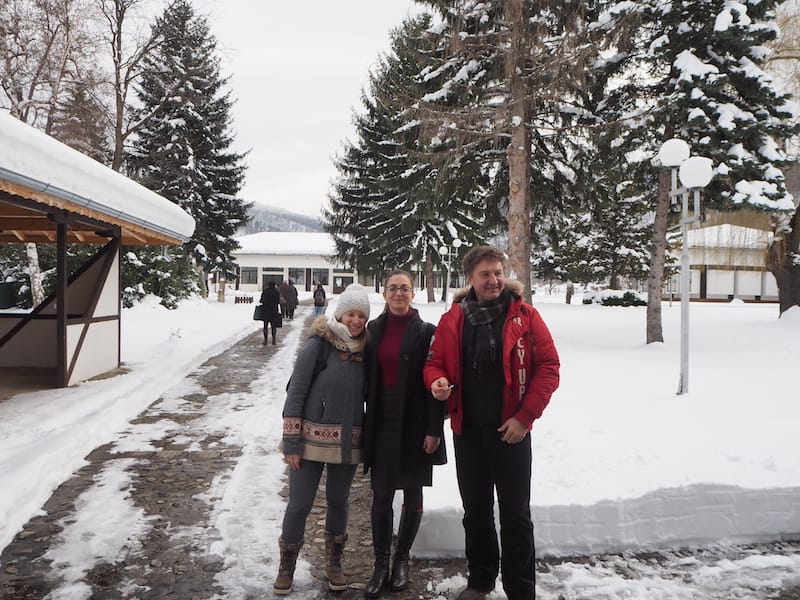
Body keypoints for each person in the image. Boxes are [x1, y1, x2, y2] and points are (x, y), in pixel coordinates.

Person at [423, 246, 560, 600]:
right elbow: (434, 362)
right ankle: (481, 580)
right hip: (467, 431)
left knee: (516, 516)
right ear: (469, 279)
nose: (494, 280)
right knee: (476, 512)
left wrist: (525, 417)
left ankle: (521, 590)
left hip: (511, 431)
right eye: (485, 274)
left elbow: (548, 367)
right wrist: (436, 381)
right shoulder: (453, 318)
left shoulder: (525, 316)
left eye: (498, 272)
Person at [273, 283, 371, 595]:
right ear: (340, 314)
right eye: (351, 314)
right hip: (309, 442)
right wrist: (291, 442)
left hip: (348, 442)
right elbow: (296, 390)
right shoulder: (319, 343)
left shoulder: (367, 351)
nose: (356, 321)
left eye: (361, 316)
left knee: (339, 502)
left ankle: (334, 564)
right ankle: (286, 566)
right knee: (299, 505)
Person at [363, 270, 446, 598]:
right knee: (381, 495)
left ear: (413, 294)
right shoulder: (373, 330)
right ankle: (380, 563)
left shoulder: (428, 332)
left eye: (405, 288)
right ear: (384, 294)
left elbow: (436, 381)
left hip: (415, 424)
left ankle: (402, 560)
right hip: (381, 423)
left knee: (413, 493)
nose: (399, 293)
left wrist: (433, 429)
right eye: (393, 288)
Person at [259, 281, 281, 346]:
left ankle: (265, 340)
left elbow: (261, 300)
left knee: (265, 326)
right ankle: (273, 340)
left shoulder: (265, 291)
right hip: (273, 311)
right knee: (273, 326)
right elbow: (278, 301)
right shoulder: (276, 292)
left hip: (266, 311)